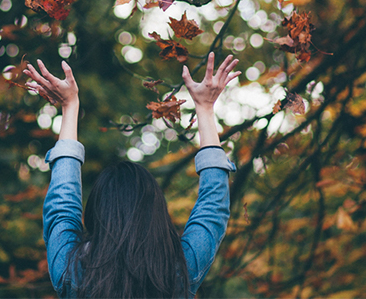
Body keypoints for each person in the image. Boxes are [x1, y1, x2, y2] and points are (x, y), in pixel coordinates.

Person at [23, 53, 240, 299]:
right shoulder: (179, 272)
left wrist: (70, 107)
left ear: (97, 212)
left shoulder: (72, 272)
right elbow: (212, 209)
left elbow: (62, 205)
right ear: (156, 212)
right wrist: (205, 108)